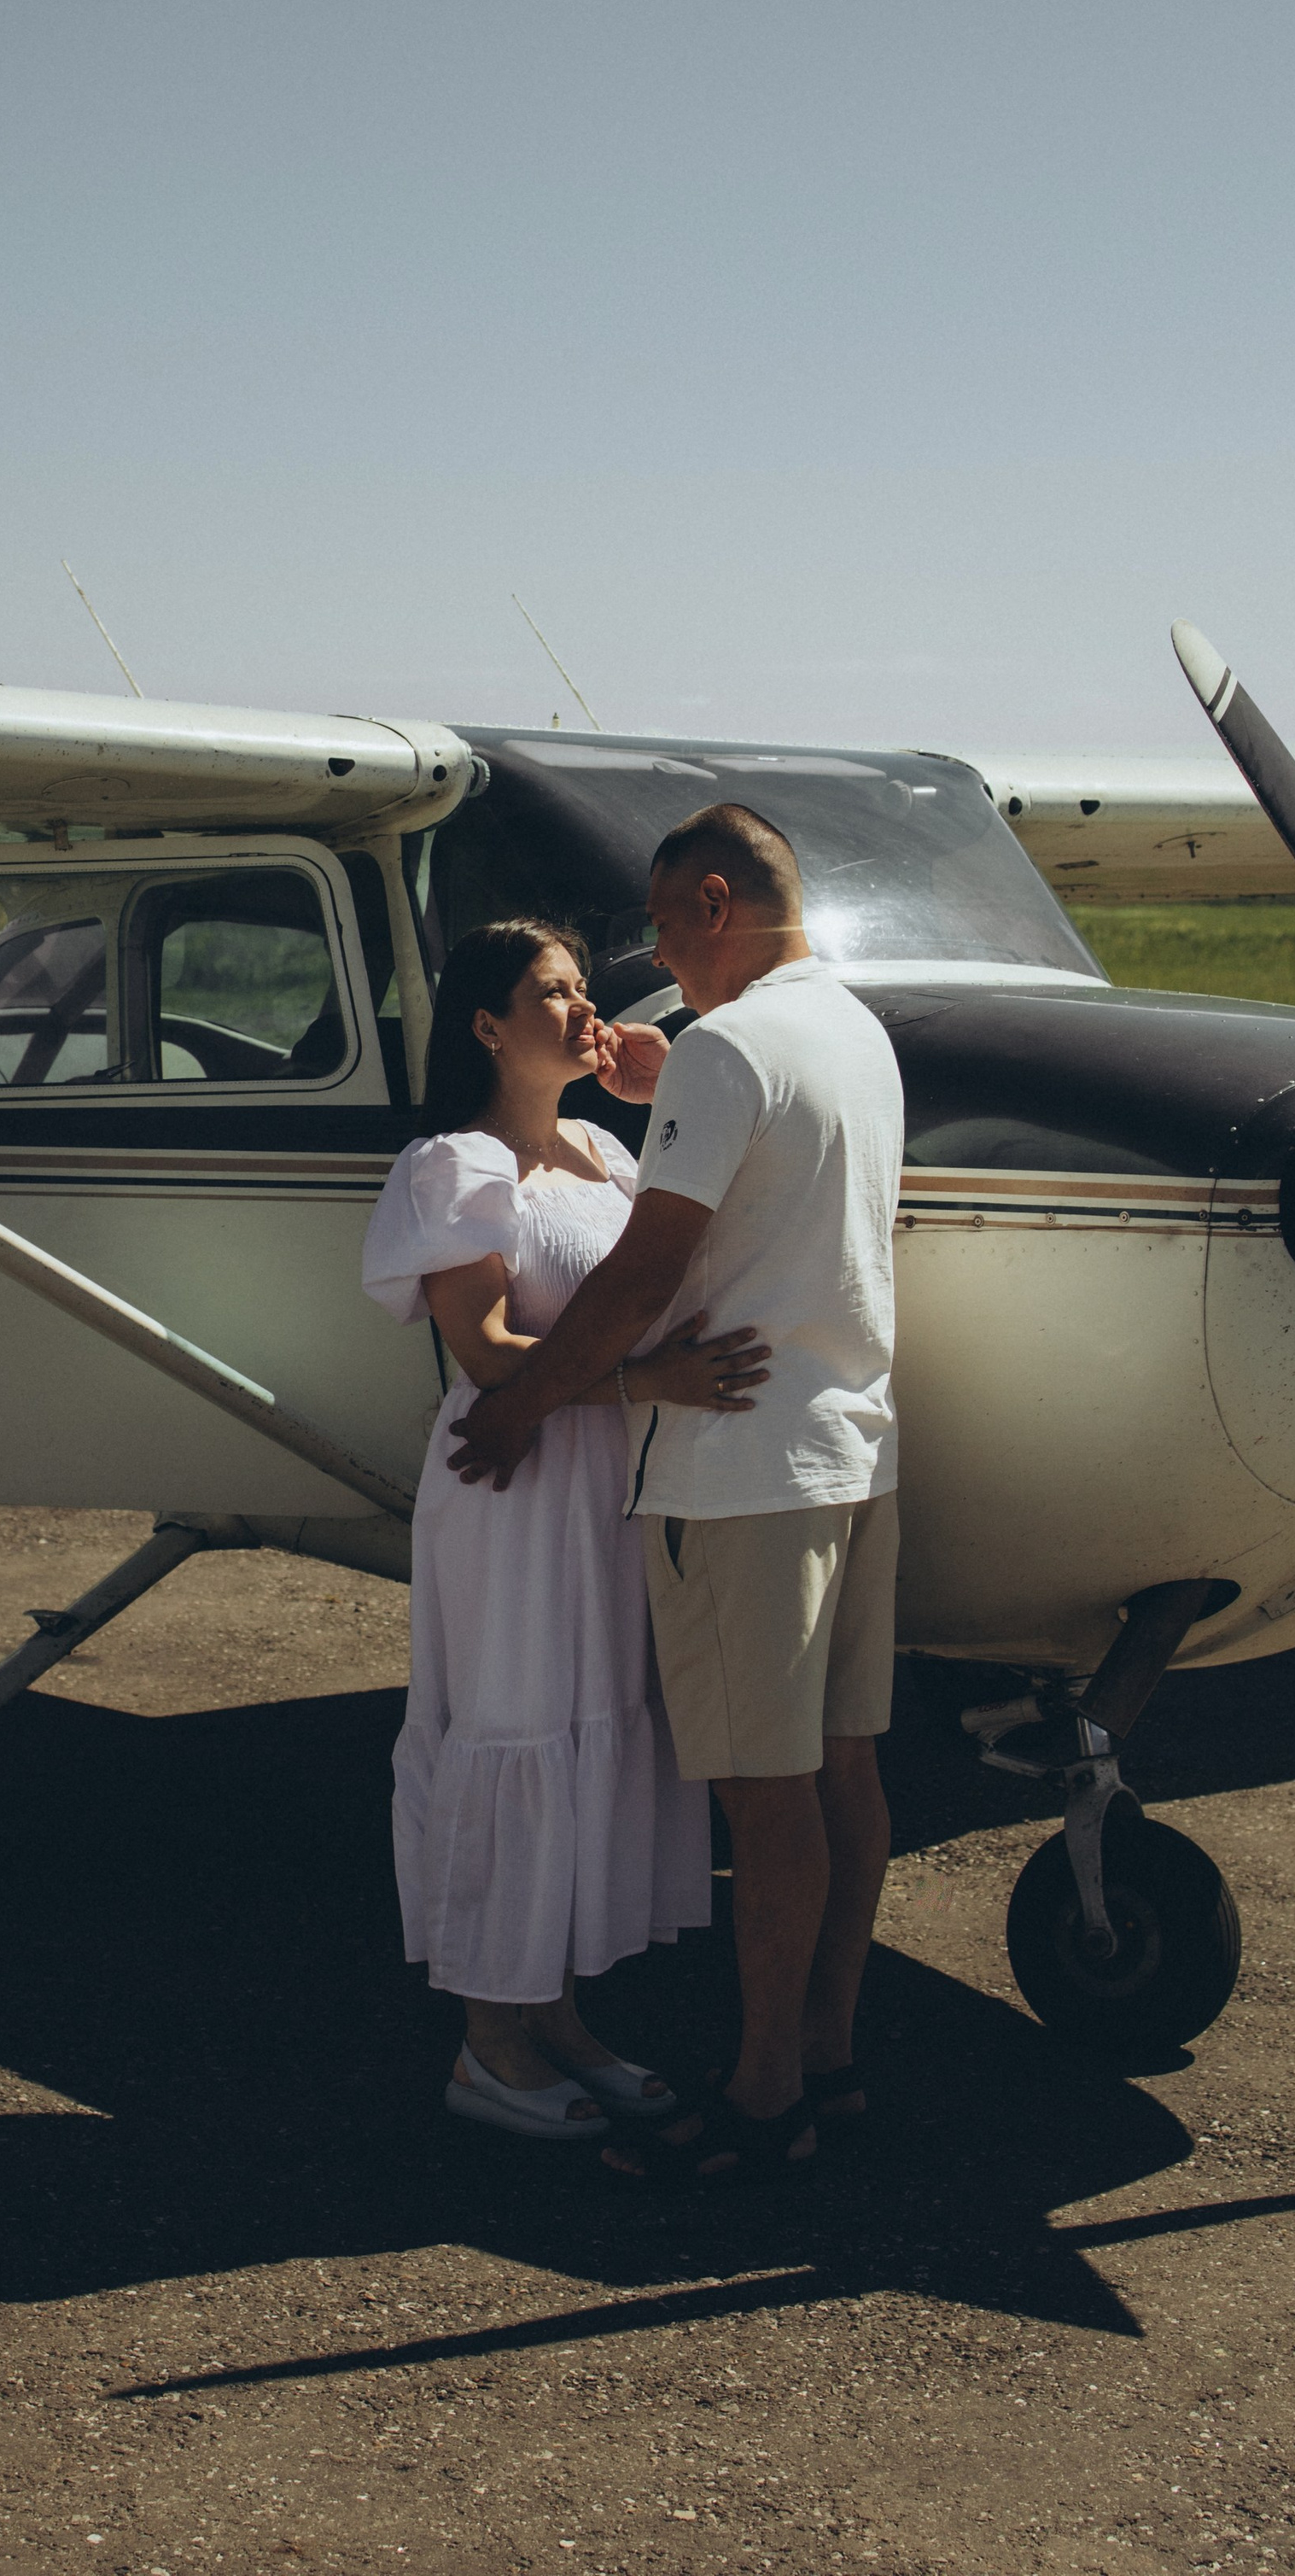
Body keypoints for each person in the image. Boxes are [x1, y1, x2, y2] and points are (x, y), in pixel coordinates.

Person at [449, 808, 905, 2184]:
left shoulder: (729, 1048)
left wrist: (519, 1402)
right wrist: (667, 1087)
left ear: (714, 903)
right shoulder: (854, 1033)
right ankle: (826, 2055)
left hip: (740, 1470)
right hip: (855, 1446)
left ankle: (764, 2094)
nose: (652, 958)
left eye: (658, 927)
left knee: (763, 1800)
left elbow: (643, 1279)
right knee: (845, 1775)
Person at [361, 918, 774, 2141]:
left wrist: (654, 1085)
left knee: (595, 1717)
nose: (580, 1007)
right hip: (515, 1484)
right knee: (516, 1723)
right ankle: (489, 2040)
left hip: (606, 1482)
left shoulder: (604, 1150)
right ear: (488, 1025)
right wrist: (653, 1388)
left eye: (581, 988)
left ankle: (559, 2016)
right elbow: (487, 1356)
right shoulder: (455, 1166)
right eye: (553, 991)